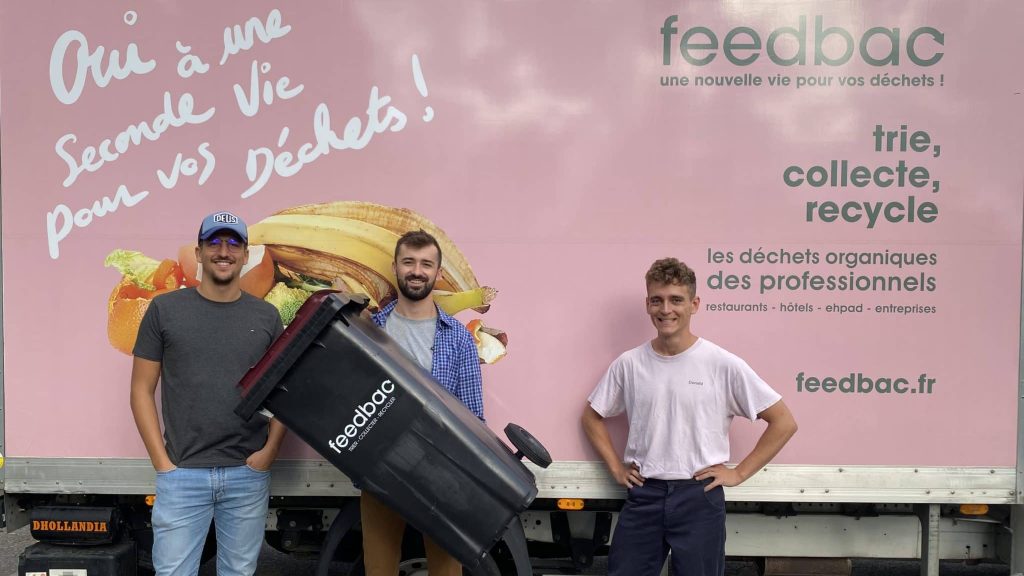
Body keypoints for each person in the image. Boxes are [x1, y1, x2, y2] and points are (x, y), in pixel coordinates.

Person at [581, 257, 797, 576]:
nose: (666, 309)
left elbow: (784, 422)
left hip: (699, 497)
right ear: (647, 304)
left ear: (694, 304)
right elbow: (591, 416)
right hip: (645, 495)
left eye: (676, 300)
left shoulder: (722, 364)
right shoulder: (629, 364)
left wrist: (738, 474)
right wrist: (615, 467)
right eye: (657, 300)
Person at [130, 211, 285, 576]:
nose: (224, 251)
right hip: (182, 474)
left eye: (234, 244)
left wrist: (271, 450)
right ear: (198, 253)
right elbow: (140, 389)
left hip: (246, 474)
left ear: (246, 256)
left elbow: (283, 391)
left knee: (238, 572)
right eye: (214, 242)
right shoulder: (164, 310)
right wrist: (163, 465)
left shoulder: (266, 317)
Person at [360, 229, 484, 576]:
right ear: (396, 267)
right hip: (380, 470)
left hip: (441, 472)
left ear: (437, 273)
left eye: (426, 264)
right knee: (378, 569)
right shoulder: (371, 330)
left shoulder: (457, 337)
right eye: (409, 262)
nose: (417, 271)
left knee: (446, 569)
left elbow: (474, 417)